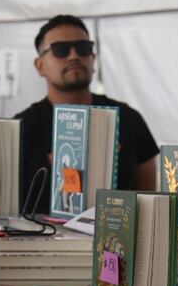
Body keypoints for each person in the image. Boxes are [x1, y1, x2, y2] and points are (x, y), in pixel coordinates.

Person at [15, 14, 159, 215]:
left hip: (115, 242)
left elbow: (147, 201)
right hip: (40, 242)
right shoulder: (21, 127)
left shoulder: (128, 119)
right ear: (40, 66)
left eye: (83, 48)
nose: (74, 56)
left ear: (93, 58)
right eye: (60, 50)